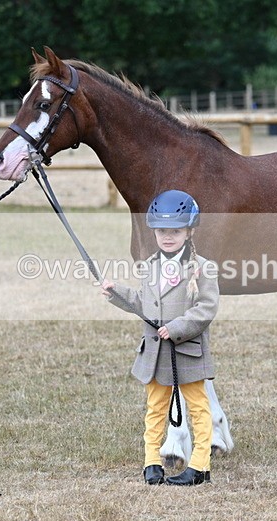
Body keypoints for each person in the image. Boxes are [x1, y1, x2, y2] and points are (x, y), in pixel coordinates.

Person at [101, 189, 219, 486]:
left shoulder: (202, 267)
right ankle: (151, 461)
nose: (168, 237)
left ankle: (200, 465)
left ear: (190, 231)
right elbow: (144, 302)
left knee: (198, 406)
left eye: (176, 231)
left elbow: (206, 308)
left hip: (187, 351)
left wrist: (177, 327)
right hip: (155, 353)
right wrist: (117, 293)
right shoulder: (150, 265)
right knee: (155, 407)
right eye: (162, 231)